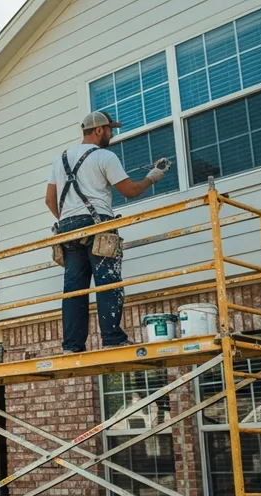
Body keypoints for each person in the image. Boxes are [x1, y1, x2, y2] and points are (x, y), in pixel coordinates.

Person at [45, 111, 170, 353]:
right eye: (111, 129)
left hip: (67, 229)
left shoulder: (59, 160)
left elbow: (50, 200)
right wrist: (151, 178)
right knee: (107, 282)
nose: (112, 134)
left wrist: (70, 220)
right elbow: (130, 190)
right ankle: (112, 339)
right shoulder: (104, 156)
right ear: (99, 130)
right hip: (98, 224)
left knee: (74, 289)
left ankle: (72, 346)